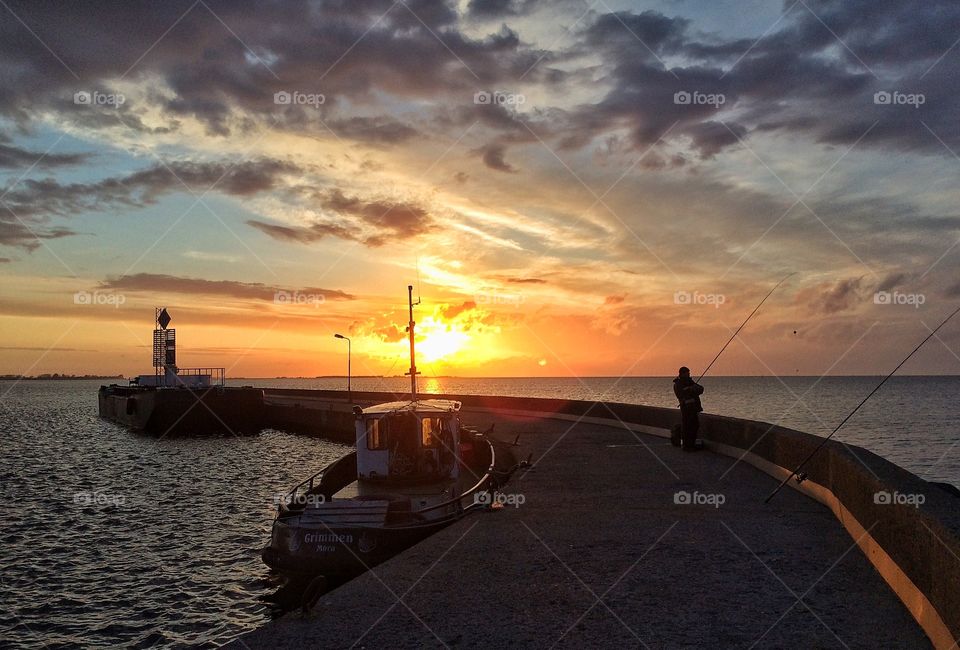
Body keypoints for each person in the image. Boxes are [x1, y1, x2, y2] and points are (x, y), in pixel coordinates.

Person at [673, 366, 704, 451]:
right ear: (682, 373)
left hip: (694, 408)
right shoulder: (677, 384)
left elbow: (701, 389)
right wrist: (690, 389)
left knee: (695, 425)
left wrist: (694, 388)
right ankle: (686, 445)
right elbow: (681, 394)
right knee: (687, 426)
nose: (689, 374)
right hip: (686, 408)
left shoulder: (690, 382)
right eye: (687, 373)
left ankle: (692, 444)